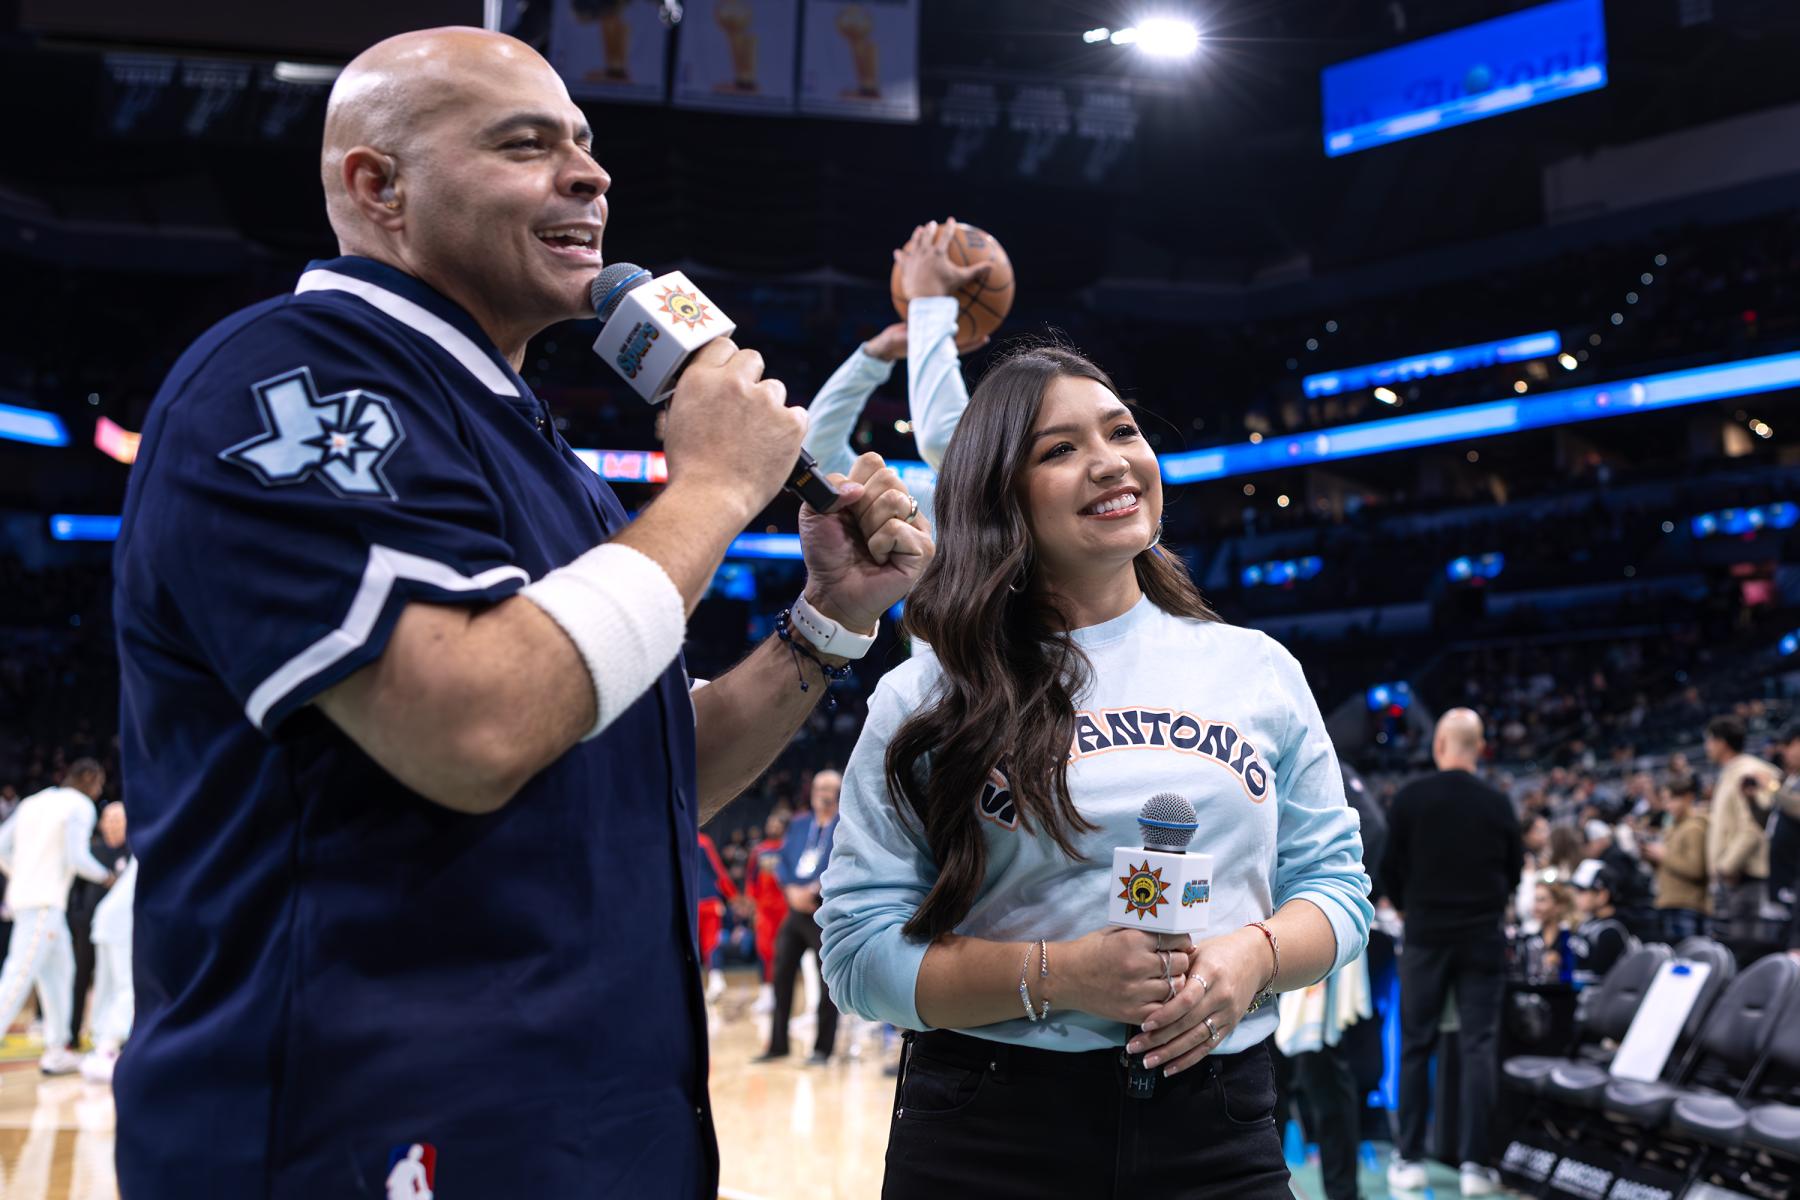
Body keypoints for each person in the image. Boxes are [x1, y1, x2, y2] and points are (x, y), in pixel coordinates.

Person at [110, 27, 931, 1196]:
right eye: (525, 144)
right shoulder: (288, 375)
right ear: (377, 187)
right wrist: (711, 489)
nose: (591, 174)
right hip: (360, 1134)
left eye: (585, 144)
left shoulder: (547, 458)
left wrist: (827, 622)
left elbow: (641, 773)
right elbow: (477, 724)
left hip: (586, 1129)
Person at [819, 344, 1372, 1198]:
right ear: (1000, 495)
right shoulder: (928, 693)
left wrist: (1254, 958)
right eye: (1060, 449)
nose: (1111, 462)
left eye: (1121, 432)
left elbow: (1337, 890)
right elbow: (859, 957)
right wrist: (1063, 974)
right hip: (990, 1129)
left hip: (1219, 1122)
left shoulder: (1257, 667)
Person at [1381, 709, 1522, 1198]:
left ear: (1439, 745)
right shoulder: (1498, 803)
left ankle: (1409, 1158)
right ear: (1479, 748)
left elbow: (1389, 870)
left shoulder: (1411, 797)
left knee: (1415, 1045)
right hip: (1483, 938)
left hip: (1425, 936)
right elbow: (1514, 873)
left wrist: (1413, 907)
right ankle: (1475, 1165)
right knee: (1478, 1047)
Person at [803, 218, 989, 534]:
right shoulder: (940, 511)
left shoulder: (1005, 503)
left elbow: (949, 447)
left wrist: (930, 304)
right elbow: (820, 459)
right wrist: (876, 355)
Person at [0, 759, 112, 1075]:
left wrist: (20, 874)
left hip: (39, 903)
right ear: (89, 779)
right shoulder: (79, 805)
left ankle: (57, 1050)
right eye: (99, 783)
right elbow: (77, 858)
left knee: (60, 974)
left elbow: (1, 846)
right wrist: (107, 877)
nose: (99, 790)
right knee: (18, 978)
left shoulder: (34, 802)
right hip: (42, 905)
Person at [757, 769, 843, 1064]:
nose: (822, 793)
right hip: (795, 910)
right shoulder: (799, 822)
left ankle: (822, 1049)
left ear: (839, 792)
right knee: (781, 974)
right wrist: (791, 889)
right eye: (818, 787)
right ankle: (777, 1045)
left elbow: (846, 862)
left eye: (829, 788)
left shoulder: (846, 824)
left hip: (823, 913)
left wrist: (816, 888)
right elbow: (781, 861)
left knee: (827, 983)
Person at [1702, 715, 1782, 946]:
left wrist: (1727, 866)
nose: (1707, 746)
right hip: (1735, 878)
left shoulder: (1748, 773)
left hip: (1746, 877)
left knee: (1746, 949)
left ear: (1721, 742)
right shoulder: (1732, 772)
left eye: (1709, 740)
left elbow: (1755, 825)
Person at [81, 807, 137, 1084]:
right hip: (120, 924)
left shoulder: (140, 849)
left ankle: (100, 1042)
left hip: (105, 921)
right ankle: (108, 1048)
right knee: (126, 986)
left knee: (106, 986)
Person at [1644, 775, 1709, 943]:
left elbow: (1696, 869)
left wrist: (1664, 856)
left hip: (1687, 905)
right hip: (1669, 902)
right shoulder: (1674, 827)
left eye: (1672, 799)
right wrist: (1651, 857)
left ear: (1688, 797)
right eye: (1665, 800)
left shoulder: (1695, 827)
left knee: (1687, 955)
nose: (1668, 806)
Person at [745, 810, 790, 1012]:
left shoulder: (788, 847)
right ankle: (766, 994)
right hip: (764, 910)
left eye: (776, 824)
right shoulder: (759, 850)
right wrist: (752, 906)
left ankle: (782, 994)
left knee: (785, 952)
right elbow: (751, 880)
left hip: (785, 909)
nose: (772, 827)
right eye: (770, 823)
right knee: (764, 951)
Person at [1566, 860, 1631, 987]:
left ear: (1602, 895)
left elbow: (1601, 982)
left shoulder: (1610, 931)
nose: (1576, 897)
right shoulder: (1586, 924)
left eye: (1582, 891)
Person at [697, 830, 738, 1000]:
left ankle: (713, 982)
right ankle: (716, 980)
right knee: (711, 942)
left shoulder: (672, 839)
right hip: (708, 901)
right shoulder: (703, 841)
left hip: (689, 903)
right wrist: (733, 896)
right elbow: (718, 871)